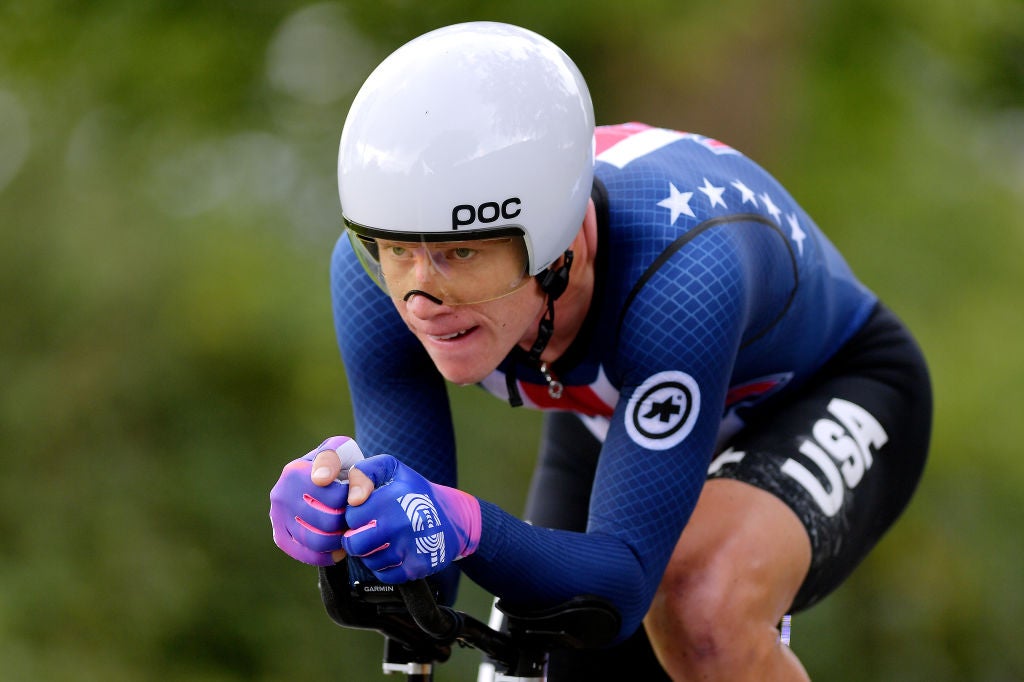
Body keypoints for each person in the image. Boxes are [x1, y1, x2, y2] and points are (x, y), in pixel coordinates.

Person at [269, 21, 931, 681]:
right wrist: (354, 525)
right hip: (622, 403)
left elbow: (620, 588)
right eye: (395, 252)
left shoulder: (682, 278)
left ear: (558, 243)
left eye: (460, 253)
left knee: (701, 603)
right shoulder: (371, 278)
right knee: (531, 660)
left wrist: (468, 524)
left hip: (822, 387)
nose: (420, 298)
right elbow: (424, 593)